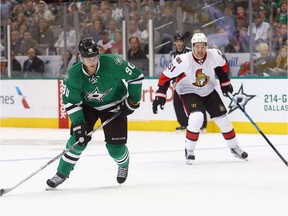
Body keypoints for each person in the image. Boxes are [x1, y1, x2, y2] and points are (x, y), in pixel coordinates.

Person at [46, 38, 144, 188]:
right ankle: (61, 173)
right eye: (87, 58)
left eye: (93, 57)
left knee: (115, 148)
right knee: (77, 140)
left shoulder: (114, 63)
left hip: (115, 105)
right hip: (88, 107)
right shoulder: (72, 76)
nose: (91, 61)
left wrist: (133, 101)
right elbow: (71, 103)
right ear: (80, 57)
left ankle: (123, 164)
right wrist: (79, 124)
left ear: (98, 55)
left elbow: (136, 76)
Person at [152, 33, 248, 164]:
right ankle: (189, 149)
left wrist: (225, 82)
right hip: (188, 91)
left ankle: (234, 147)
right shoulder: (183, 60)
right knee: (197, 117)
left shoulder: (214, 54)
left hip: (208, 89)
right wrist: (161, 94)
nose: (200, 50)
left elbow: (222, 66)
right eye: (197, 47)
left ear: (206, 47)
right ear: (192, 47)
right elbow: (165, 76)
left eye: (203, 47)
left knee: (224, 119)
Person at [170, 33, 207, 132]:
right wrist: (173, 80)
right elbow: (173, 69)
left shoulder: (190, 52)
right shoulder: (172, 55)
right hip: (179, 83)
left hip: (192, 81)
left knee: (197, 101)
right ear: (174, 42)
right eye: (177, 41)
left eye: (180, 41)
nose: (179, 43)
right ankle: (184, 124)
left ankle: (202, 125)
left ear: (184, 42)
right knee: (177, 103)